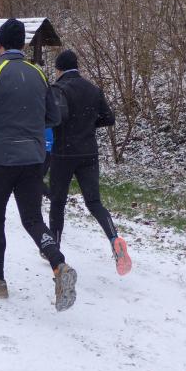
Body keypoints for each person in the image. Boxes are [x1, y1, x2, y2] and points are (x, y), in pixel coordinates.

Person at [0, 18, 77, 312]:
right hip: (32, 159)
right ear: (24, 44)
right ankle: (59, 264)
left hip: (1, 159)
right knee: (32, 220)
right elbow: (54, 117)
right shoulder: (38, 73)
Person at [48, 50, 131, 276]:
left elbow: (55, 119)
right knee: (94, 202)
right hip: (88, 153)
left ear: (59, 69)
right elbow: (109, 118)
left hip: (63, 153)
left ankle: (54, 250)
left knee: (58, 202)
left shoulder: (58, 89)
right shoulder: (93, 89)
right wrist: (88, 124)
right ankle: (114, 239)